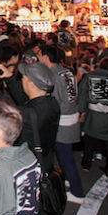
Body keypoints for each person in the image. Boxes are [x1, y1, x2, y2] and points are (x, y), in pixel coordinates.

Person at [38, 45, 84, 204]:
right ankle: (70, 180)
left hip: (62, 119)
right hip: (72, 115)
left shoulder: (52, 75)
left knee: (66, 157)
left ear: (46, 57)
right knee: (64, 154)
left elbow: (54, 102)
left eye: (40, 55)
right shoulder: (67, 72)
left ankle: (78, 193)